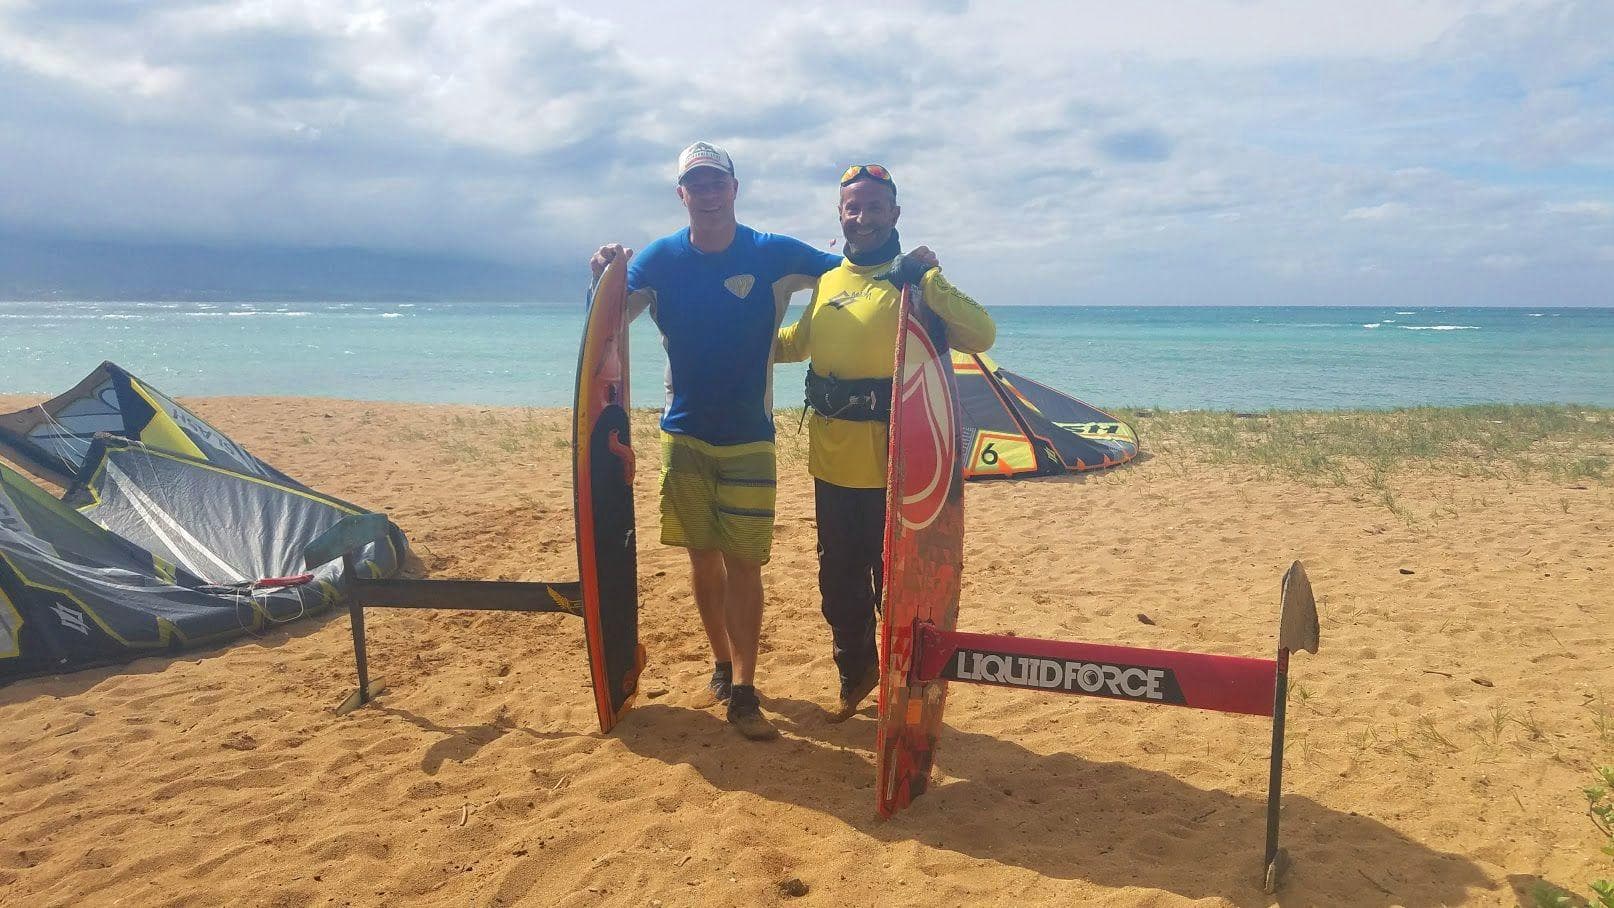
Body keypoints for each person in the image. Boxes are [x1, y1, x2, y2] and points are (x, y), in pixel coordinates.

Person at [590, 142, 840, 740]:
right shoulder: (660, 259)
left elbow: (849, 275)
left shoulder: (771, 252)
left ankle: (746, 690)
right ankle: (722, 667)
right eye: (695, 183)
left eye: (716, 181)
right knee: (703, 559)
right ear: (682, 194)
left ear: (734, 188)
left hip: (751, 439)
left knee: (745, 563)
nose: (707, 192)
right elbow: (610, 319)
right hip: (684, 437)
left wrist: (903, 269)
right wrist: (600, 278)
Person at [775, 163, 995, 722]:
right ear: (840, 213)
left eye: (875, 207)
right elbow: (796, 344)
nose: (863, 217)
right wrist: (728, 338)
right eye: (853, 207)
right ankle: (856, 675)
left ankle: (907, 686)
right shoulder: (828, 281)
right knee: (838, 584)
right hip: (832, 463)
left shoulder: (913, 281)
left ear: (894, 213)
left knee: (898, 588)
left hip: (901, 469)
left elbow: (981, 334)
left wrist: (929, 278)